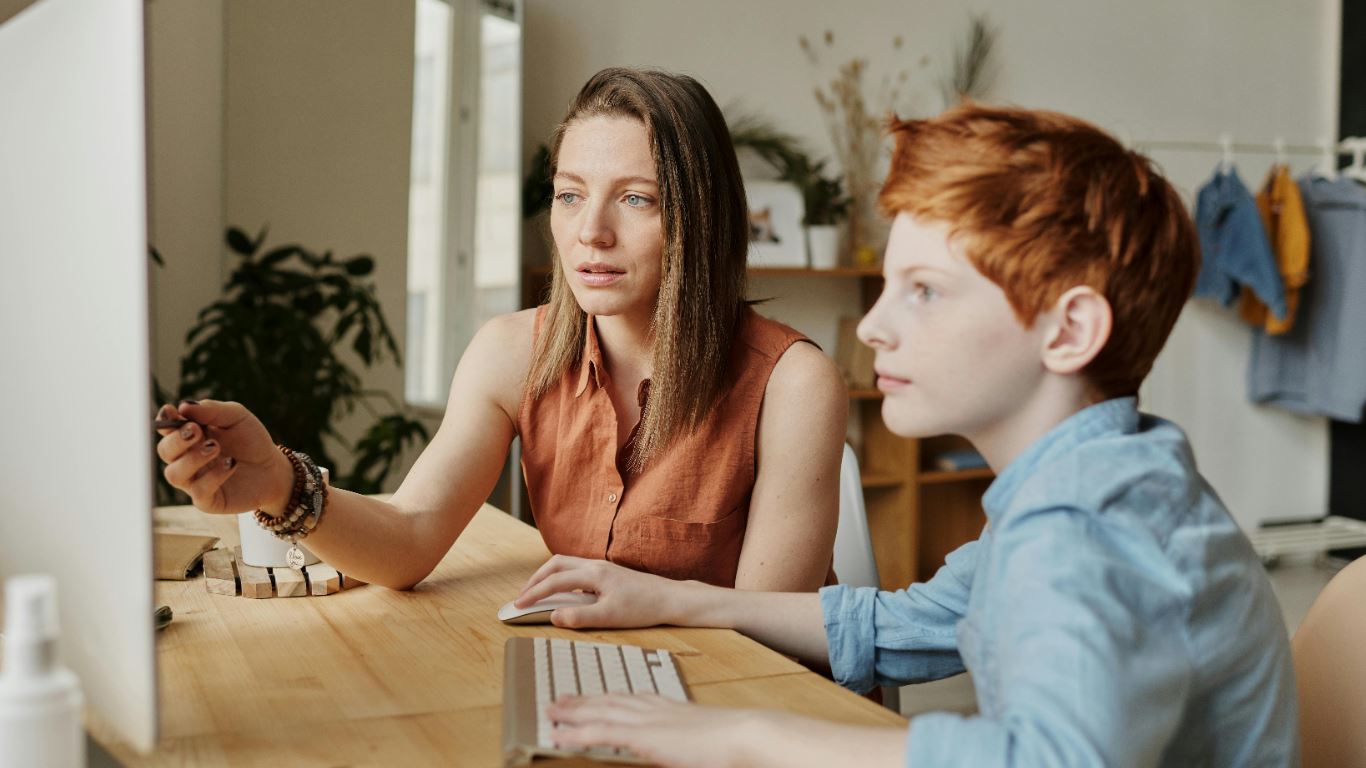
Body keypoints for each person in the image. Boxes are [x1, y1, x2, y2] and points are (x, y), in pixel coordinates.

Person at [512, 104, 1299, 767]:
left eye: (924, 292)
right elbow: (897, 624)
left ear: (1071, 331)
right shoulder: (1095, 479)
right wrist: (669, 599)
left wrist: (747, 734)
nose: (878, 328)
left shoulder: (1084, 524)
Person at [153, 67, 847, 593]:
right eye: (570, 194)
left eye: (636, 199)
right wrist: (279, 482)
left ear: (702, 219)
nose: (590, 232)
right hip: (606, 683)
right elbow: (410, 537)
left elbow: (767, 638)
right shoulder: (512, 352)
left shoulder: (794, 384)